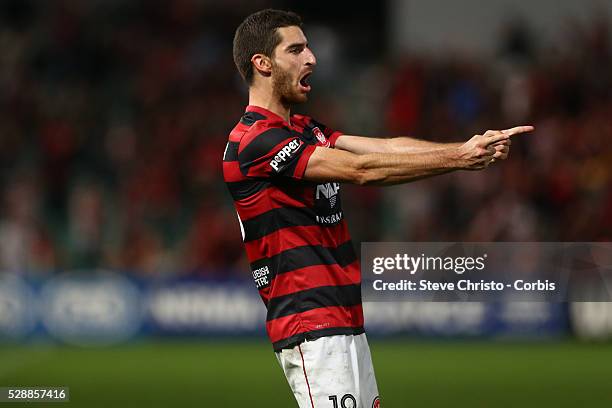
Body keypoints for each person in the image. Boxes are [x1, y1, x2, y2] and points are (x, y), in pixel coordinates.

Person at [223, 9, 533, 408]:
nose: (311, 58)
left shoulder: (304, 129)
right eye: (296, 49)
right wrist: (458, 159)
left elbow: (383, 147)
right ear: (262, 64)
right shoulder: (254, 141)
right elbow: (361, 169)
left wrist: (467, 146)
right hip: (310, 322)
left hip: (344, 319)